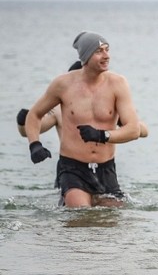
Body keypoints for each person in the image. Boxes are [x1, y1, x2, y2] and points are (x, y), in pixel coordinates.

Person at [25, 31, 144, 208]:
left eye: (107, 49)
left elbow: (134, 130)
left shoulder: (118, 83)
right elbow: (34, 114)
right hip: (73, 168)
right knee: (80, 214)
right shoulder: (63, 84)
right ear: (86, 57)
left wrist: (102, 135)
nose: (106, 56)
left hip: (106, 168)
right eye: (99, 51)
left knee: (110, 223)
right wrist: (34, 144)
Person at [16, 61, 149, 140]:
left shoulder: (110, 106)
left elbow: (142, 131)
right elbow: (31, 130)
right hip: (71, 166)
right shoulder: (58, 111)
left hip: (103, 165)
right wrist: (23, 121)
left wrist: (122, 123)